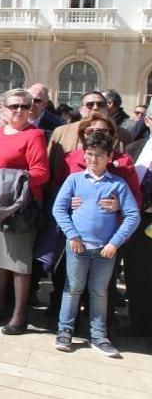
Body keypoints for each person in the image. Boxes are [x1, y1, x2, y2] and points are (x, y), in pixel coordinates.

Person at [52, 130, 139, 357]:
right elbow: (59, 208)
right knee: (72, 289)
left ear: (109, 156)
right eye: (89, 154)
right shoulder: (75, 179)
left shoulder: (117, 185)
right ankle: (64, 331)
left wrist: (115, 243)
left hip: (105, 249)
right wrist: (72, 235)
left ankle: (99, 335)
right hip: (78, 247)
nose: (93, 159)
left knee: (99, 292)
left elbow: (133, 215)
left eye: (99, 155)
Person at [0, 88, 49, 335]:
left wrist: (5, 179)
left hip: (19, 209)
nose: (20, 110)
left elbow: (41, 173)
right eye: (14, 106)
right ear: (3, 108)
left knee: (18, 262)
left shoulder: (34, 135)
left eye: (25, 106)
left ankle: (19, 314)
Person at [123, 112, 152, 337]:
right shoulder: (135, 148)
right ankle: (138, 321)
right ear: (148, 121)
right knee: (136, 272)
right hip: (137, 219)